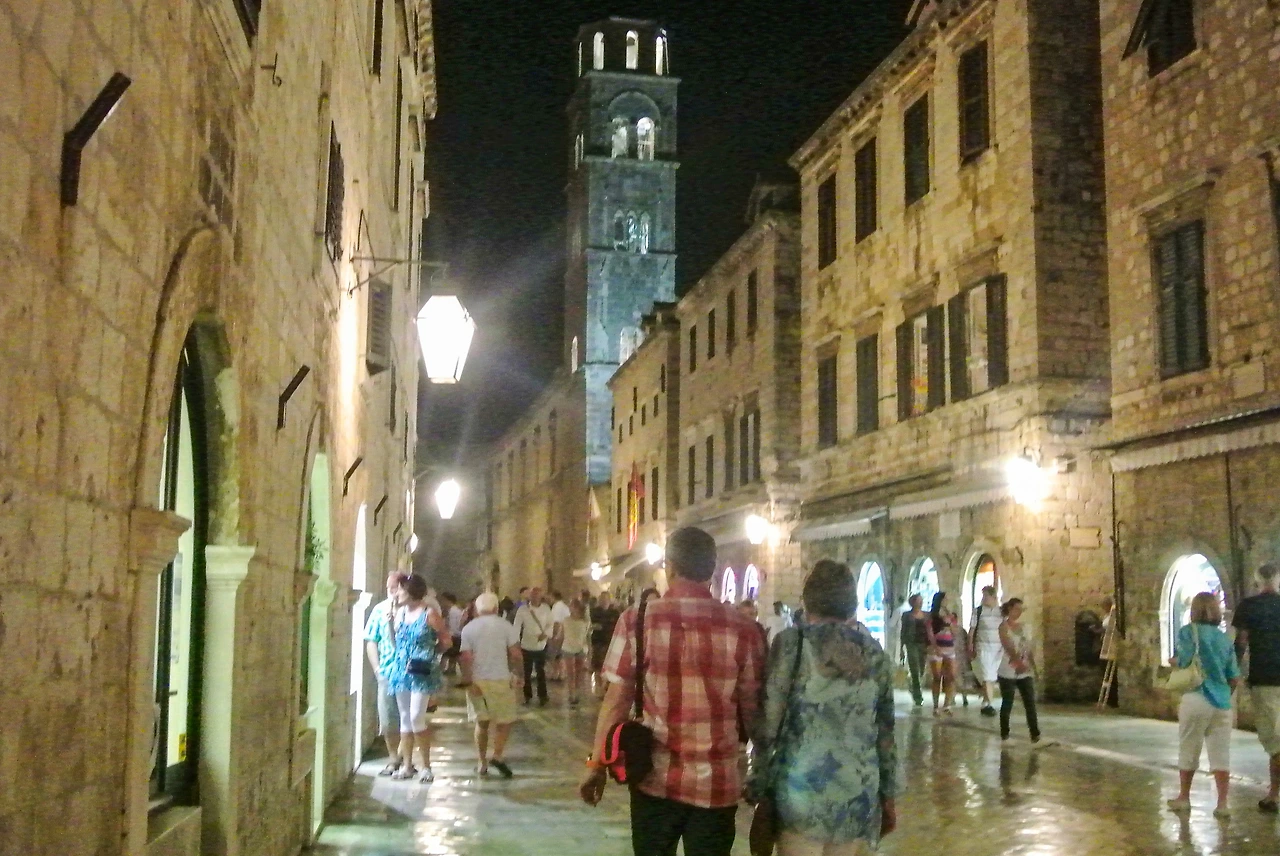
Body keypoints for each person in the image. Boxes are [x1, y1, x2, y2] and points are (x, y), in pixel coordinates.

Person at [579, 527, 765, 856]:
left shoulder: (636, 621)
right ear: (711, 569)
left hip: (654, 779)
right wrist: (761, 770)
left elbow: (616, 702)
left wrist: (596, 765)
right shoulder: (744, 629)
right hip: (717, 784)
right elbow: (752, 712)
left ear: (670, 566)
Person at [747, 560, 897, 855]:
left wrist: (758, 782)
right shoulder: (873, 652)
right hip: (857, 794)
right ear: (852, 603)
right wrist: (888, 795)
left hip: (800, 793)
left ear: (808, 599)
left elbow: (769, 725)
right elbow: (886, 732)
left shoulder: (791, 644)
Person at [1166, 592, 1241, 817]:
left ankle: (1184, 797)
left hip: (1196, 697)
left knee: (1189, 747)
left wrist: (1174, 661)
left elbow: (1183, 660)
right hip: (1222, 703)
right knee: (1221, 753)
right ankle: (1222, 804)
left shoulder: (1188, 632)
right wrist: (1224, 694)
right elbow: (1234, 676)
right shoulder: (1224, 639)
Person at [387, 573, 451, 781]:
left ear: (411, 591)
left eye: (400, 589)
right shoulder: (400, 613)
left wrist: (432, 655)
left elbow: (446, 641)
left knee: (416, 717)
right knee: (405, 718)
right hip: (401, 669)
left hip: (422, 671)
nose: (397, 593)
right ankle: (407, 766)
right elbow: (395, 643)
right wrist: (390, 624)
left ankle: (426, 766)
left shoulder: (429, 613)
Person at [459, 592, 523, 778]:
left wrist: (468, 681)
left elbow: (465, 658)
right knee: (505, 720)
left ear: (477, 609)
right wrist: (519, 674)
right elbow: (516, 654)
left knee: (481, 723)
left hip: (477, 681)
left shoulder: (468, 629)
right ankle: (497, 755)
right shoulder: (506, 626)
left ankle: (481, 762)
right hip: (501, 679)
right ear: (496, 608)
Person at [1234, 562, 1280, 813]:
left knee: (1274, 741)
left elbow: (1241, 642)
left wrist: (1232, 673)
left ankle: (1273, 795)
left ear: (1257, 581)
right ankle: (1273, 794)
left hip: (1265, 678)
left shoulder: (1248, 606)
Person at [362, 572, 404, 775]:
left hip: (409, 672)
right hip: (387, 672)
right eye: (389, 588)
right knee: (388, 718)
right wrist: (377, 669)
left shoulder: (412, 610)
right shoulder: (379, 610)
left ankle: (404, 757)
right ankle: (393, 757)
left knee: (409, 718)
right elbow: (371, 640)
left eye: (394, 587)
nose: (391, 591)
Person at [997, 598, 1040, 744]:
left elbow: (1029, 648)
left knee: (1030, 702)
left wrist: (1033, 667)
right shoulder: (1003, 627)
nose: (1019, 612)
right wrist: (1018, 663)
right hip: (1008, 669)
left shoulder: (1025, 627)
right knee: (1008, 701)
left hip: (1025, 669)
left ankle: (1035, 734)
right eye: (1017, 609)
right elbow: (1008, 647)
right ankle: (1005, 734)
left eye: (1021, 609)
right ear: (1010, 609)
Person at [513, 587, 554, 706]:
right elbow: (517, 626)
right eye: (533, 595)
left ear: (541, 596)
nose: (535, 597)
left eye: (537, 595)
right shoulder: (523, 610)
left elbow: (550, 624)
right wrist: (516, 641)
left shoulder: (546, 609)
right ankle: (527, 696)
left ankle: (543, 696)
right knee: (527, 672)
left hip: (541, 645)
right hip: (527, 645)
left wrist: (545, 634)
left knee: (541, 671)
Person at [969, 586, 1003, 717]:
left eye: (986, 596)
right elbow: (972, 629)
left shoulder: (1001, 612)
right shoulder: (978, 611)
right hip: (983, 647)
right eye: (983, 596)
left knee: (991, 676)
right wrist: (970, 645)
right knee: (986, 675)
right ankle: (990, 704)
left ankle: (985, 702)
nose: (984, 598)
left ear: (993, 597)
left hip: (997, 649)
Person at [925, 592, 958, 714]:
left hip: (949, 648)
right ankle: (935, 706)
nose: (947, 601)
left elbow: (955, 632)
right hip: (936, 648)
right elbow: (930, 633)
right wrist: (935, 646)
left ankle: (947, 705)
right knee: (937, 677)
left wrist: (950, 623)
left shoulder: (951, 616)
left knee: (951, 677)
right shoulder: (932, 616)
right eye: (945, 599)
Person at [589, 591, 621, 698]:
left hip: (610, 642)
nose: (603, 601)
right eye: (602, 599)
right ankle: (600, 688)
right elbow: (590, 624)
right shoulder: (594, 612)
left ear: (609, 600)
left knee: (609, 667)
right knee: (597, 667)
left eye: (605, 599)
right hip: (598, 642)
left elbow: (618, 626)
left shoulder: (614, 613)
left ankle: (606, 687)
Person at [560, 598, 592, 706]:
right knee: (571, 672)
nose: (571, 608)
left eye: (573, 606)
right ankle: (571, 693)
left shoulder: (585, 621)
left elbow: (588, 637)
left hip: (581, 648)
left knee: (579, 672)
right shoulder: (566, 620)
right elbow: (561, 634)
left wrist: (590, 650)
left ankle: (576, 692)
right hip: (568, 648)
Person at [900, 595, 929, 708]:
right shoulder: (906, 615)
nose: (920, 603)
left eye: (921, 601)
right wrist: (901, 648)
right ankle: (918, 696)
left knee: (921, 669)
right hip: (911, 644)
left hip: (923, 644)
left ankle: (913, 686)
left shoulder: (926, 615)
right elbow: (903, 631)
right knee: (915, 670)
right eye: (918, 601)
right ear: (912, 602)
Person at [548, 590, 572, 681]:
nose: (549, 599)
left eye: (550, 597)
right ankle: (560, 673)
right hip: (564, 634)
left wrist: (554, 635)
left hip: (558, 634)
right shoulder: (564, 606)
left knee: (554, 654)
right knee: (559, 655)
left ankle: (556, 673)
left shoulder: (557, 607)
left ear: (553, 597)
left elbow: (556, 622)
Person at [441, 592, 465, 676]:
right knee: (453, 655)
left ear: (448, 600)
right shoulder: (456, 610)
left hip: (454, 635)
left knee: (448, 654)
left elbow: (453, 626)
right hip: (458, 635)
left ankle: (442, 670)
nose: (442, 603)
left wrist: (448, 635)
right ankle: (451, 669)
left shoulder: (452, 611)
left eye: (443, 600)